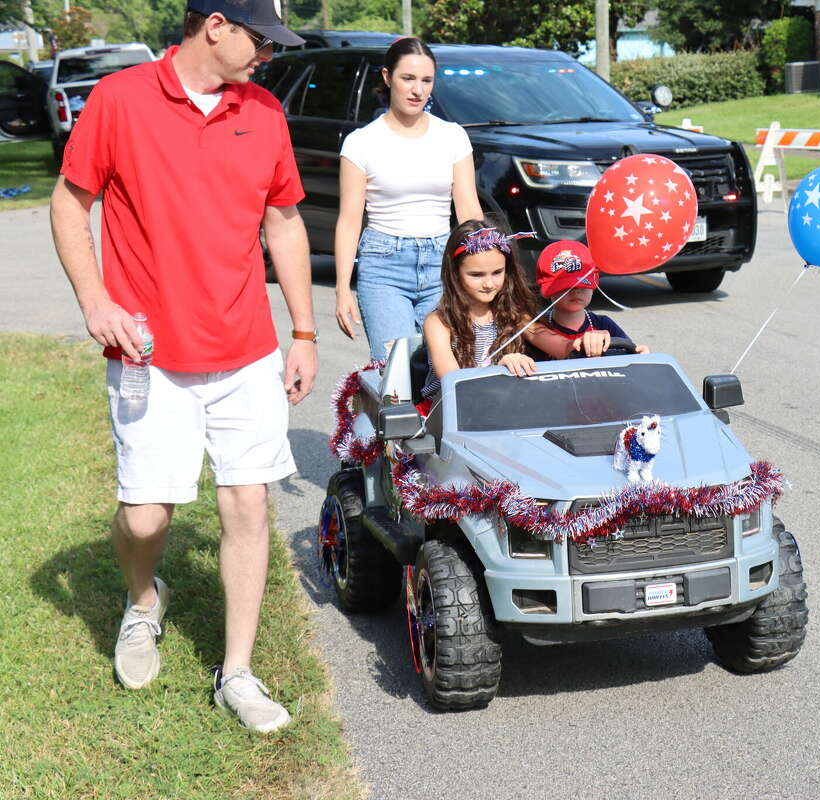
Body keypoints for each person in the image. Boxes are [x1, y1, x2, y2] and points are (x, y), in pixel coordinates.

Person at [48, 0, 316, 733]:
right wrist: (95, 300)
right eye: (262, 39)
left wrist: (302, 330)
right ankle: (143, 603)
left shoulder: (264, 110)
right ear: (217, 25)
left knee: (248, 503)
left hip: (246, 349)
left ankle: (237, 672)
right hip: (149, 351)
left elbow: (283, 219)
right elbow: (71, 204)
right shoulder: (120, 99)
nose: (269, 55)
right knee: (144, 516)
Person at [335, 36, 483, 362]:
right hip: (383, 266)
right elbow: (348, 221)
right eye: (408, 79)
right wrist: (342, 288)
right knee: (397, 376)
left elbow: (469, 209)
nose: (418, 90)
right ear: (387, 78)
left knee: (444, 369)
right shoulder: (361, 143)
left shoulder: (453, 136)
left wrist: (484, 266)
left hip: (442, 263)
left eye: (426, 80)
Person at [420, 218, 540, 409]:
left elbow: (558, 345)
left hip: (502, 407)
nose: (489, 284)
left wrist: (584, 338)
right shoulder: (439, 322)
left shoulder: (515, 314)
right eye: (476, 275)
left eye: (497, 272)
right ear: (454, 273)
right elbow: (455, 382)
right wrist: (501, 368)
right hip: (447, 412)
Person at [526, 241, 649, 359]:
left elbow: (629, 355)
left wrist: (640, 355)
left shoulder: (603, 324)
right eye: (567, 287)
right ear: (546, 290)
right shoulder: (536, 326)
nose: (576, 291)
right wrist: (514, 358)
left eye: (583, 284)